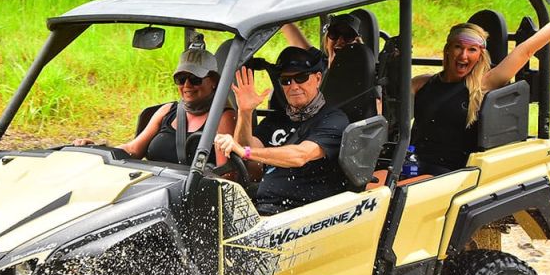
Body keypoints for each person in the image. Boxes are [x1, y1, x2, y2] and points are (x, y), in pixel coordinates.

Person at [411, 0, 550, 175]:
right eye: (458, 47)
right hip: (412, 165)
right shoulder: (421, 83)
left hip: (448, 174)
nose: (463, 55)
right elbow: (388, 111)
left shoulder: (484, 84)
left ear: (480, 55)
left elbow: (525, 50)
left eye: (472, 50)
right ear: (448, 49)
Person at [214, 46, 349, 215]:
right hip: (263, 207)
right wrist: (245, 112)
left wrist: (246, 151)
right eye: (286, 80)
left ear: (318, 78)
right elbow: (249, 158)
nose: (293, 86)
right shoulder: (277, 119)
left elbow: (300, 155)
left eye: (301, 77)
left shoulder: (334, 119)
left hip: (305, 213)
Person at [75, 45, 236, 166]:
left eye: (195, 79)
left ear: (213, 81)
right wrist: (97, 152)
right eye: (180, 79)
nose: (187, 85)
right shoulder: (167, 111)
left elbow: (225, 175)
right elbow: (133, 149)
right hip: (152, 187)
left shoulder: (223, 117)